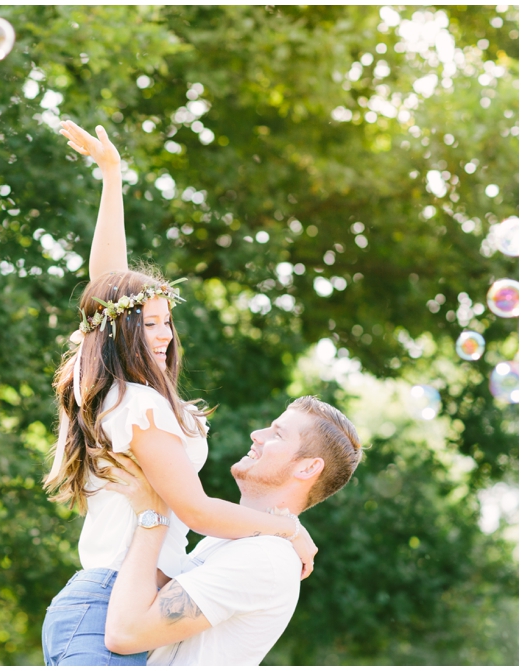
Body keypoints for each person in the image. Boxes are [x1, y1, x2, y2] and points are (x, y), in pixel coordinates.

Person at [40, 121, 317, 667]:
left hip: (118, 603)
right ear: (120, 331)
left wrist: (112, 176)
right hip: (106, 610)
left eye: (168, 322)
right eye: (149, 324)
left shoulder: (124, 400)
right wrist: (287, 527)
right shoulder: (136, 407)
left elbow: (109, 282)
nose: (165, 335)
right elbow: (196, 509)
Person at [102, 397, 362, 665]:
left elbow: (125, 633)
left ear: (308, 467)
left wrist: (152, 516)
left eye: (277, 434)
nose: (257, 435)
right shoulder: (235, 541)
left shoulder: (264, 558)